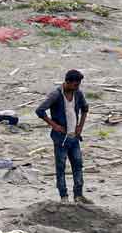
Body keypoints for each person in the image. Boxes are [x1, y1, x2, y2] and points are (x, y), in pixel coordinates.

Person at [36, 69, 91, 204]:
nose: (77, 87)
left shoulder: (78, 93)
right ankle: (64, 197)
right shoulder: (56, 95)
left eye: (78, 85)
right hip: (61, 138)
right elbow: (40, 110)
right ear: (67, 82)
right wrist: (54, 125)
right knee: (60, 167)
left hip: (74, 138)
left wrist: (80, 126)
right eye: (75, 85)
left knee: (78, 165)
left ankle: (78, 195)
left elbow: (85, 108)